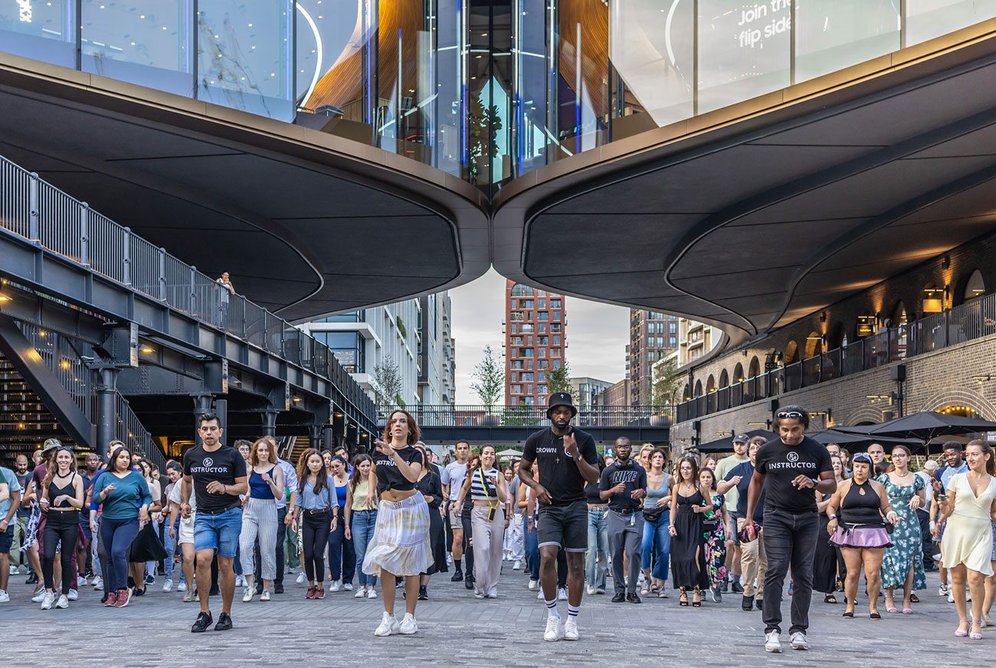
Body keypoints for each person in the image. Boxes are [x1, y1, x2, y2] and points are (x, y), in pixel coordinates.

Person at [744, 406, 835, 653]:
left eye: (795, 429)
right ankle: (772, 629)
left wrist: (814, 482)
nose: (789, 435)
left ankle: (798, 630)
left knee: (803, 574)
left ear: (804, 426)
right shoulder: (767, 450)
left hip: (807, 518)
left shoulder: (817, 450)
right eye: (784, 430)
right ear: (778, 429)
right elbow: (756, 481)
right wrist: (749, 516)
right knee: (775, 569)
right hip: (776, 516)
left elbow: (832, 485)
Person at [518, 392, 600, 642]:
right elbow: (522, 469)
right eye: (557, 411)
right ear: (550, 414)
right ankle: (553, 616)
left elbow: (594, 477)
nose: (562, 416)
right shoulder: (536, 439)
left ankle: (572, 620)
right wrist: (536, 486)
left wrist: (575, 453)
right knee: (546, 557)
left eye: (566, 412)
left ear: (572, 415)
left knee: (576, 563)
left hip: (576, 505)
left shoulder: (584, 440)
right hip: (549, 507)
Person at [364, 409, 432, 637]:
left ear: (410, 428)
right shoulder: (378, 451)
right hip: (387, 509)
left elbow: (412, 477)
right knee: (385, 560)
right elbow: (373, 470)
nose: (398, 425)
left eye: (403, 421)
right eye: (394, 421)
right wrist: (370, 490)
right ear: (389, 427)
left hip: (411, 509)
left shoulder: (415, 453)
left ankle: (410, 617)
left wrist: (393, 454)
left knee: (411, 563)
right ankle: (388, 616)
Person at [181, 413, 248, 633]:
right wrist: (184, 502)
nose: (209, 433)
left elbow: (243, 487)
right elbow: (187, 480)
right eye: (205, 429)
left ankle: (226, 614)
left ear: (220, 431)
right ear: (199, 432)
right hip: (203, 515)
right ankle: (204, 612)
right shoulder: (191, 455)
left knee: (225, 563)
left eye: (212, 429)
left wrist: (224, 487)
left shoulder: (232, 455)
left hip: (229, 514)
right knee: (202, 559)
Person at [934, 440, 996, 639]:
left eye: (975, 454)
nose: (970, 458)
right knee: (958, 578)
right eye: (968, 454)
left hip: (982, 532)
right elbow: (949, 509)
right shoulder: (957, 480)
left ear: (986, 456)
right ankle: (963, 620)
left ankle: (977, 621)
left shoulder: (995, 483)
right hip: (956, 531)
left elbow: (993, 513)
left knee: (976, 577)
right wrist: (941, 502)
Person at [825, 452, 898, 619]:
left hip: (874, 531)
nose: (860, 470)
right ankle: (850, 604)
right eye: (857, 466)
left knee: (873, 573)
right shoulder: (843, 485)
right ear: (852, 467)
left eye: (864, 467)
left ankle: (873, 607)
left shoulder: (878, 486)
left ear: (869, 469)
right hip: (850, 531)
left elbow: (885, 507)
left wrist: (891, 513)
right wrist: (833, 519)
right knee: (852, 573)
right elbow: (831, 507)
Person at [92, 444, 152, 608]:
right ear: (114, 459)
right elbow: (95, 499)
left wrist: (145, 507)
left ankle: (123, 589)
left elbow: (147, 496)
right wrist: (104, 493)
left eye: (127, 457)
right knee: (110, 557)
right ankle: (112, 592)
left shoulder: (136, 476)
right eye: (122, 457)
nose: (125, 460)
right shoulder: (105, 476)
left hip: (129, 520)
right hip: (108, 520)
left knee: (118, 551)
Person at [720, 436, 766, 611]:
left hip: (769, 518)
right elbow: (721, 487)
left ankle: (761, 594)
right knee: (749, 554)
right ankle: (747, 591)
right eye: (753, 447)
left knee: (766, 560)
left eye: (760, 448)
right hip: (745, 518)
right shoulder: (741, 469)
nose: (756, 451)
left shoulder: (770, 469)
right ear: (749, 450)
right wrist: (731, 482)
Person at [879, 445, 927, 614]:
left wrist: (916, 497)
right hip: (890, 523)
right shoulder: (884, 478)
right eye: (894, 456)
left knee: (910, 562)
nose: (898, 458)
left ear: (908, 458)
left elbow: (923, 502)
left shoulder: (917, 479)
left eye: (901, 455)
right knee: (889, 560)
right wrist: (886, 515)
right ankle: (889, 597)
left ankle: (907, 600)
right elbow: (878, 502)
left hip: (910, 525)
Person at [457, 444, 509, 599]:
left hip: (495, 511)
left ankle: (492, 586)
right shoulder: (473, 472)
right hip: (478, 512)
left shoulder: (498, 474)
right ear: (480, 456)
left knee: (496, 550)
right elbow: (465, 488)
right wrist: (458, 503)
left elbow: (503, 498)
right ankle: (480, 586)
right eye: (486, 453)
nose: (489, 456)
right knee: (483, 549)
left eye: (492, 453)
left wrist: (496, 485)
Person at [599, 436, 647, 604]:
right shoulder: (608, 471)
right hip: (615, 514)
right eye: (620, 447)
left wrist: (642, 492)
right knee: (616, 554)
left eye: (626, 446)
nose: (623, 449)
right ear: (615, 449)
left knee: (634, 553)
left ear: (630, 447)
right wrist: (613, 490)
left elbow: (645, 490)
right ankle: (619, 590)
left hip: (635, 514)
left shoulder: (639, 469)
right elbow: (602, 494)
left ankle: (632, 590)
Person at [38, 446, 85, 610]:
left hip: (70, 519)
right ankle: (49, 591)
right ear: (55, 459)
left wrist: (66, 497)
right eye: (61, 457)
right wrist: (42, 503)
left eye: (67, 457)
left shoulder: (76, 478)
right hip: (52, 519)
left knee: (66, 558)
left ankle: (64, 594)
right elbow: (44, 499)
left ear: (71, 460)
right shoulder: (49, 476)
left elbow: (80, 503)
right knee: (47, 555)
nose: (63, 460)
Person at [239, 436, 283, 603]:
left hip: (268, 508)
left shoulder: (277, 469)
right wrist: (246, 497)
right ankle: (250, 585)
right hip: (251, 508)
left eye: (266, 450)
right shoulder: (251, 469)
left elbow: (279, 496)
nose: (263, 453)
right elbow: (249, 490)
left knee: (266, 550)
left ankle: (266, 588)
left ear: (270, 452)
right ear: (255, 452)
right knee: (244, 545)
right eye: (260, 450)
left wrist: (270, 481)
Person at [669, 456, 711, 606]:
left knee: (693, 557)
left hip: (695, 524)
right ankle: (682, 591)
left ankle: (697, 589)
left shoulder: (700, 486)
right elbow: (673, 508)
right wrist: (671, 525)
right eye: (682, 468)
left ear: (694, 469)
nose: (685, 471)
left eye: (688, 468)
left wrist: (700, 509)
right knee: (679, 558)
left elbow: (710, 506)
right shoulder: (676, 487)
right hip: (680, 524)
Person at [297, 449, 334, 600]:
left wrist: (335, 517)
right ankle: (310, 585)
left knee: (318, 553)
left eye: (317, 461)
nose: (315, 464)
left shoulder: (328, 479)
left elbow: (334, 501)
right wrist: (294, 517)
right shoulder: (302, 479)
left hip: (323, 517)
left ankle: (320, 586)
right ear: (307, 463)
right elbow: (299, 500)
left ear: (322, 463)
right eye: (312, 461)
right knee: (308, 553)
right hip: (307, 517)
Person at [716, 433, 750, 595]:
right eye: (737, 443)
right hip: (728, 508)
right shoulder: (724, 463)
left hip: (745, 510)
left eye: (742, 444)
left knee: (740, 547)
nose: (739, 447)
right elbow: (716, 484)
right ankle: (724, 577)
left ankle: (736, 580)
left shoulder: (752, 463)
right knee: (729, 544)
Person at [413, 445, 445, 600]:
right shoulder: (407, 475)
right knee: (412, 551)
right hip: (411, 516)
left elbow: (440, 497)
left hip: (430, 515)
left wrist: (431, 499)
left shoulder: (433, 475)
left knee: (430, 549)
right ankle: (412, 586)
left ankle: (423, 587)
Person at [813, 453, 846, 603]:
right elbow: (817, 507)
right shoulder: (821, 486)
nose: (836, 465)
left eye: (838, 463)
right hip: (825, 523)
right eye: (832, 463)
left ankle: (848, 592)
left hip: (845, 523)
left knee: (846, 560)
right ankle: (828, 592)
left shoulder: (848, 482)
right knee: (826, 558)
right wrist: (833, 499)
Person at [344, 453, 378, 599]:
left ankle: (371, 586)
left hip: (374, 515)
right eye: (362, 466)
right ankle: (362, 585)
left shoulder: (376, 481)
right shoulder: (351, 483)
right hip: (358, 517)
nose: (365, 468)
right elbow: (348, 505)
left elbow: (382, 500)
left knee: (373, 554)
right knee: (360, 555)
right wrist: (346, 525)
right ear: (357, 467)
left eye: (368, 465)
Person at [440, 440, 471, 585]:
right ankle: (458, 569)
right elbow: (444, 483)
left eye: (465, 448)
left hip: (471, 504)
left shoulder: (474, 466)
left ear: (469, 450)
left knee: (471, 540)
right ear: (456, 451)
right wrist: (445, 495)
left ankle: (470, 570)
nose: (463, 451)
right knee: (458, 539)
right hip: (455, 505)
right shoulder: (450, 467)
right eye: (460, 448)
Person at [641, 448, 671, 597]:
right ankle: (646, 578)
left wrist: (668, 498)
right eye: (655, 457)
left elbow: (679, 493)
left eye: (661, 457)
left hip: (664, 515)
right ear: (650, 460)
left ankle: (660, 584)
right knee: (645, 546)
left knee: (664, 551)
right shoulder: (644, 476)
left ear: (664, 461)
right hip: (647, 514)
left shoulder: (669, 478)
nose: (658, 459)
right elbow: (638, 493)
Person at [166, 460, 197, 602]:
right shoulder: (180, 484)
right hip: (187, 521)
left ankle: (202, 589)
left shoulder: (204, 479)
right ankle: (190, 589)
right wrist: (171, 527)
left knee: (202, 560)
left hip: (204, 520)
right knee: (188, 557)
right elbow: (174, 506)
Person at [700, 467, 731, 603]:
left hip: (717, 530)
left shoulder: (718, 495)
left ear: (713, 479)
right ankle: (701, 587)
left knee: (718, 558)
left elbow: (725, 513)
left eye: (708, 477)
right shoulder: (697, 495)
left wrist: (728, 527)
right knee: (702, 559)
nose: (706, 480)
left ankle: (716, 585)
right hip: (701, 531)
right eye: (703, 477)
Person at [327, 455, 355, 593]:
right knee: (333, 543)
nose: (334, 469)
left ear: (344, 465)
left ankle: (348, 579)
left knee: (349, 547)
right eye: (332, 467)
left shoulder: (351, 479)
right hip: (335, 516)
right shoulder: (330, 480)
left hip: (350, 514)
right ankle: (335, 578)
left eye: (337, 466)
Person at [584, 458, 609, 596]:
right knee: (591, 549)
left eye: (598, 464)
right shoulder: (585, 478)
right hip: (589, 513)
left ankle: (601, 584)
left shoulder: (606, 477)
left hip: (605, 513)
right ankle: (590, 583)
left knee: (604, 550)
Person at [0, 461, 23, 603]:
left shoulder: (7, 474)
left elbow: (16, 499)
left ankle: (3, 590)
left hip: (4, 521)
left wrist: (6, 520)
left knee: (2, 555)